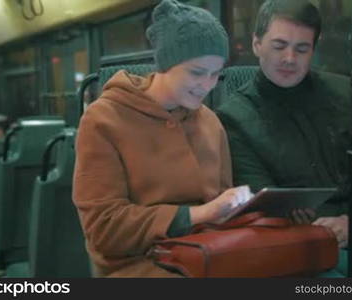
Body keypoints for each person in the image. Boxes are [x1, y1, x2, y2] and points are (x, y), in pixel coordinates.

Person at [216, 0, 352, 277]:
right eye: (279, 46)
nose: (290, 58)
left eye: (302, 49)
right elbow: (268, 210)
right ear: (257, 44)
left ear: (313, 50)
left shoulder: (347, 94)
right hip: (294, 247)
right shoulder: (233, 118)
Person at [73, 0, 246, 277]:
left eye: (216, 74)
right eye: (197, 72)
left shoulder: (210, 122)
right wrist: (197, 215)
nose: (207, 85)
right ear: (166, 64)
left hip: (207, 251)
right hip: (139, 264)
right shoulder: (103, 119)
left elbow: (221, 203)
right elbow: (103, 228)